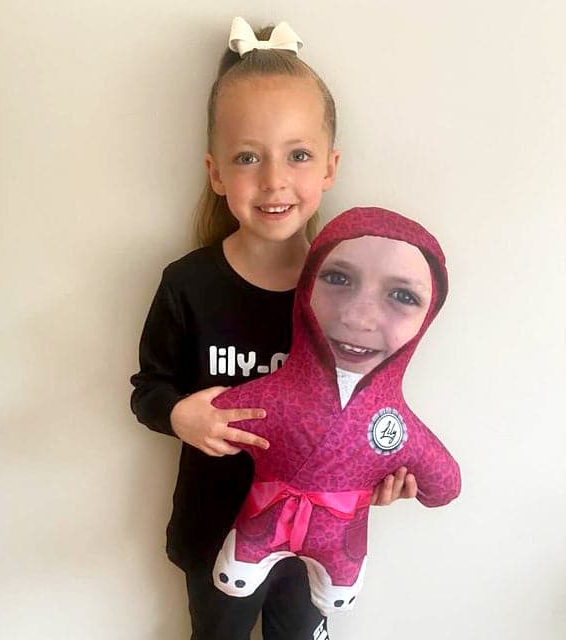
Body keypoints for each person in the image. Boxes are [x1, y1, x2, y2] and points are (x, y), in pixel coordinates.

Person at [130, 18, 416, 640]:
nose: (274, 179)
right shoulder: (188, 284)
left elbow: (369, 402)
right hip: (215, 528)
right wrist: (181, 415)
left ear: (330, 167)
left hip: (317, 535)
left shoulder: (351, 292)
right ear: (216, 173)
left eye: (299, 154)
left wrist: (379, 471)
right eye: (247, 157)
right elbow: (148, 389)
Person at [211, 207, 461, 616]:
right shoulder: (271, 396)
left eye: (403, 296)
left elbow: (444, 486)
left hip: (339, 540)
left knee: (302, 624)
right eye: (338, 279)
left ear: (427, 317)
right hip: (239, 520)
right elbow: (213, 416)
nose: (358, 317)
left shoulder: (396, 428)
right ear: (306, 285)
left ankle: (336, 580)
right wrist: (187, 417)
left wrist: (405, 479)